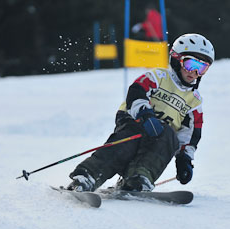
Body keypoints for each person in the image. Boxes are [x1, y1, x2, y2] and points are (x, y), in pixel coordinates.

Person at [67, 33, 215, 192]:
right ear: (176, 59)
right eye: (190, 64)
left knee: (168, 138)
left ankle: (138, 178)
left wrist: (184, 159)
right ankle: (88, 175)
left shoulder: (194, 101)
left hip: (162, 135)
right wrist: (145, 114)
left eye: (202, 68)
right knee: (125, 146)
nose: (194, 72)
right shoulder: (159, 76)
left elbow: (190, 133)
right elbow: (137, 91)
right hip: (136, 121)